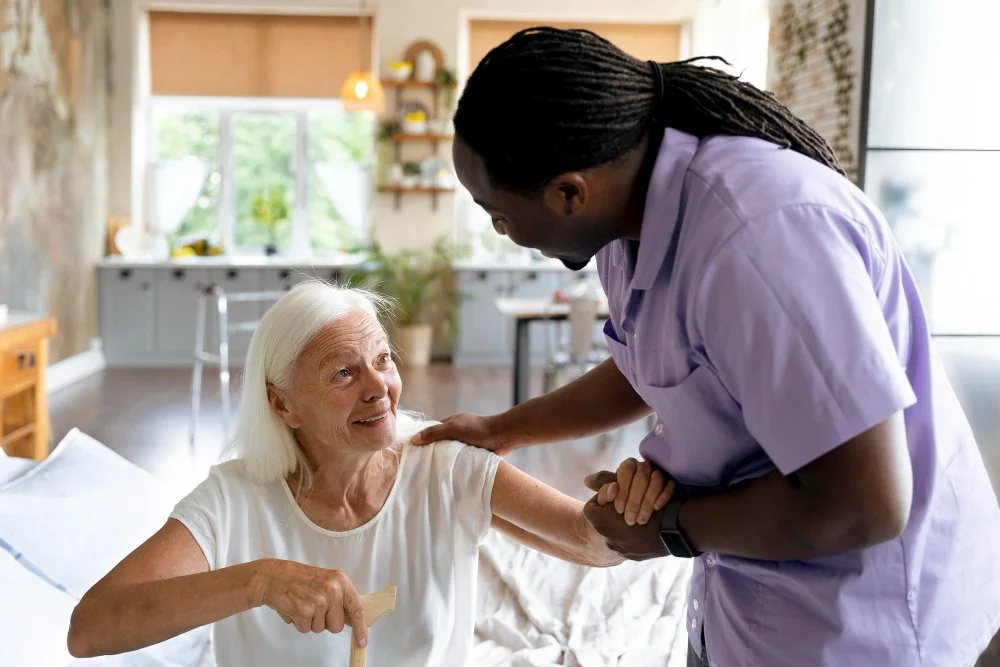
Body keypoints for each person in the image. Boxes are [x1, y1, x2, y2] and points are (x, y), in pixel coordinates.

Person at [412, 26, 1000, 667]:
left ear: (569, 192)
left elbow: (864, 504)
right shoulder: (623, 226)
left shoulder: (761, 240)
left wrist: (669, 529)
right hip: (744, 601)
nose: (500, 231)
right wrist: (503, 430)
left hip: (861, 623)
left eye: (496, 213)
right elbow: (649, 364)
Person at [66, 282, 636, 666]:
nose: (378, 387)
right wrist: (259, 582)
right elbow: (89, 629)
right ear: (282, 405)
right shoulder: (233, 498)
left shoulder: (443, 464)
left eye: (383, 359)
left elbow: (593, 544)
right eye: (343, 372)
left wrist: (629, 501)